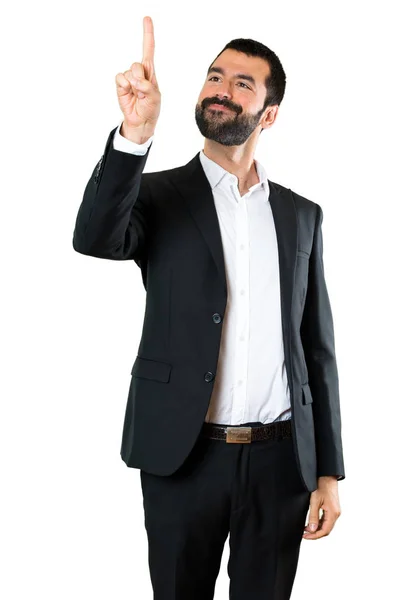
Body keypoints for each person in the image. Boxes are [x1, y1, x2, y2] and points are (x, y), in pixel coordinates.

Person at [72, 15, 345, 600]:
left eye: (242, 83)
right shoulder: (158, 196)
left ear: (268, 114)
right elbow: (94, 238)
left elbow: (315, 348)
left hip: (280, 465)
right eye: (214, 76)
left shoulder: (302, 216)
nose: (220, 89)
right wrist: (133, 136)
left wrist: (328, 472)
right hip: (183, 457)